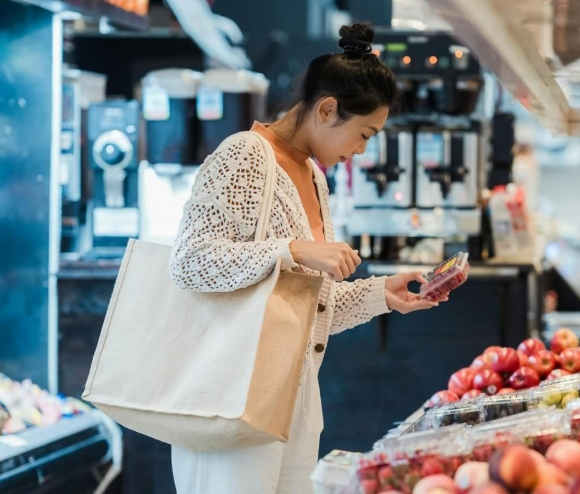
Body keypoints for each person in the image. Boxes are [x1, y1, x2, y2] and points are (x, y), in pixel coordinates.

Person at [169, 21, 448, 494]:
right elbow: (190, 263)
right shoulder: (244, 155)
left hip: (295, 399)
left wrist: (383, 294)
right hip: (232, 398)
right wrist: (293, 248)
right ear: (327, 109)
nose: (360, 151)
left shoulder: (314, 178)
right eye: (363, 134)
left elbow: (308, 308)